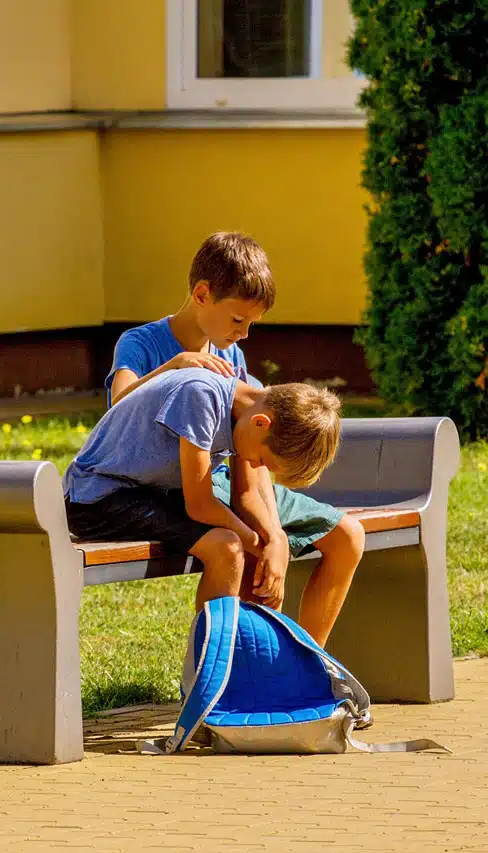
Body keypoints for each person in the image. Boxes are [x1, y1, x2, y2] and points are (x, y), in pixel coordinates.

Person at [98, 231, 364, 643]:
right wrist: (175, 366)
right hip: (170, 485)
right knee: (246, 548)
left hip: (223, 479)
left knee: (347, 536)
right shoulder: (141, 342)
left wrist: (273, 533)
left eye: (251, 324)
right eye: (238, 320)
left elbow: (250, 459)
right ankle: (231, 669)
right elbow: (118, 406)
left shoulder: (231, 355)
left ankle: (305, 666)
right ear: (202, 294)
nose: (243, 334)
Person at [64, 368, 354, 645]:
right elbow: (200, 505)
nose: (256, 465)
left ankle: (246, 667)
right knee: (225, 546)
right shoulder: (200, 397)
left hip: (147, 492)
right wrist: (259, 547)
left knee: (232, 542)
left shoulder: (247, 412)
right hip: (96, 498)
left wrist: (273, 542)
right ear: (261, 423)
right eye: (263, 461)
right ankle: (210, 673)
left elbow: (247, 495)